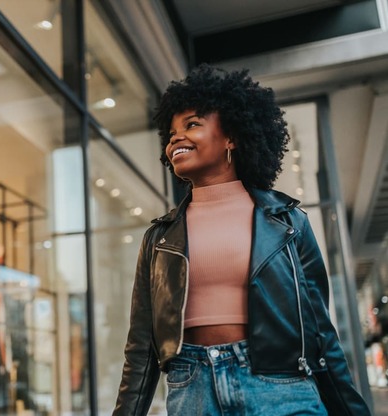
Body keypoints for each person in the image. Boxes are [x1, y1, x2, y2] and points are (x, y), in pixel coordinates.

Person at [113, 64, 371, 416]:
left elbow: (320, 332)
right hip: (192, 390)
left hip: (280, 387)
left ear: (231, 136)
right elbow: (141, 347)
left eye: (192, 124)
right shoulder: (158, 238)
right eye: (171, 132)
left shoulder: (289, 223)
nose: (175, 138)